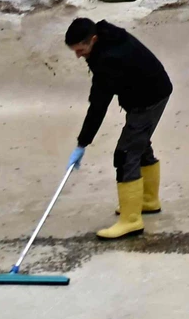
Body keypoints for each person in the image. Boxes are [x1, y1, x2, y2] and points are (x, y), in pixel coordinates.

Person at [65, 16, 174, 239]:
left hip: (149, 98)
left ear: (93, 39)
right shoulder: (105, 39)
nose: (78, 55)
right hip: (147, 92)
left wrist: (82, 143)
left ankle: (131, 220)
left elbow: (98, 105)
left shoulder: (108, 58)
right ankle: (148, 201)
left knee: (125, 154)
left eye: (81, 49)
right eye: (74, 50)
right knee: (139, 145)